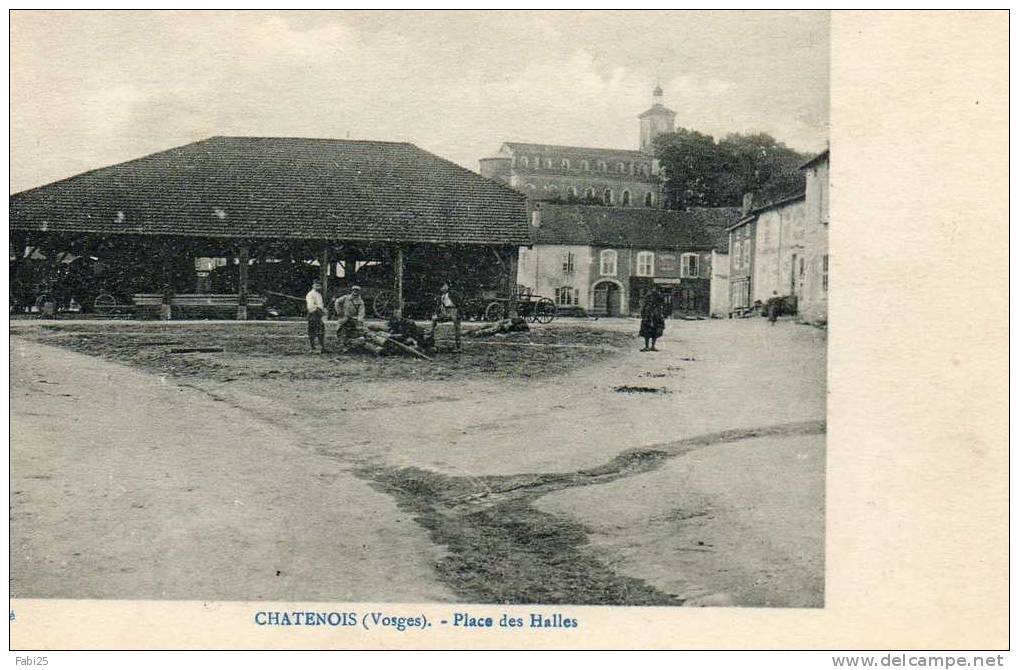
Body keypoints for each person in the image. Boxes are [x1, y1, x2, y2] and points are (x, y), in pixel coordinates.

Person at [429, 282, 462, 352]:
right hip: (445, 312)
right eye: (441, 288)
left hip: (454, 310)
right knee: (434, 319)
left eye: (444, 286)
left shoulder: (453, 293)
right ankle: (431, 340)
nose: (443, 288)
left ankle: (458, 347)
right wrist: (437, 313)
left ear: (447, 286)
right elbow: (441, 306)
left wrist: (458, 311)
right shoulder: (442, 296)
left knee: (457, 327)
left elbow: (459, 302)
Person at [334, 285, 367, 350]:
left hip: (353, 318)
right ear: (351, 291)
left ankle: (350, 344)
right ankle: (342, 344)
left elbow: (361, 311)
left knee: (357, 331)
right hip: (344, 317)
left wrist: (359, 319)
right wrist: (339, 312)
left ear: (359, 292)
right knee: (341, 329)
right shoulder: (345, 298)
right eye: (354, 290)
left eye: (357, 291)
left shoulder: (360, 301)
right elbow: (337, 302)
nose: (355, 292)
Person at [639, 286, 666, 352]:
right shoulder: (648, 303)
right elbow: (643, 309)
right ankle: (648, 346)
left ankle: (651, 346)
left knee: (654, 333)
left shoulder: (657, 305)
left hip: (655, 318)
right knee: (648, 333)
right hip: (649, 318)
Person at [305, 280, 326, 352]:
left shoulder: (318, 294)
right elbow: (311, 306)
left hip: (319, 314)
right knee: (312, 331)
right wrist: (319, 311)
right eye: (316, 285)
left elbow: (320, 305)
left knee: (321, 330)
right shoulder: (310, 294)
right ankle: (312, 348)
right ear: (313, 286)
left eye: (319, 285)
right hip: (313, 314)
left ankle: (322, 347)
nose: (318, 287)